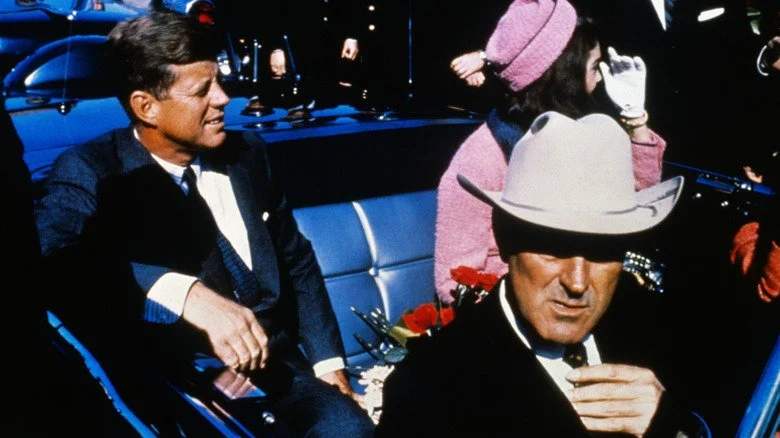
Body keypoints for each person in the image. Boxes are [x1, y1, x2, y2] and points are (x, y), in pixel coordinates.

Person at [34, 11, 373, 436]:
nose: (223, 98)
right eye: (202, 90)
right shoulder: (93, 170)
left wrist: (329, 366)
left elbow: (296, 258)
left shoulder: (248, 153)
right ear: (146, 107)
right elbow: (48, 259)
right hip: (176, 385)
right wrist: (185, 293)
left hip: (281, 373)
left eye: (220, 81)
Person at [377, 111, 705, 437]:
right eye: (554, 248)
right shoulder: (430, 388)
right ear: (505, 240)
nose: (577, 282)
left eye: (602, 252)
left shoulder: (656, 327)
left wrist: (670, 427)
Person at [435, 0, 668, 303]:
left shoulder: (583, 133)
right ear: (563, 74)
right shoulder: (481, 157)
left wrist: (635, 117)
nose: (600, 79)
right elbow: (453, 282)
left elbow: (634, 203)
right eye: (595, 67)